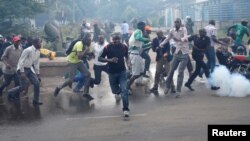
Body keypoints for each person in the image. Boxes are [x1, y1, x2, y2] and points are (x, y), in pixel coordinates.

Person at [54, 34, 93, 101]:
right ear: (85, 40)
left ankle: (85, 93)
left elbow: (82, 56)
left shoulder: (85, 45)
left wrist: (90, 54)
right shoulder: (79, 44)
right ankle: (58, 87)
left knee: (88, 74)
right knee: (70, 80)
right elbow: (79, 56)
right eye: (89, 40)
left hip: (78, 61)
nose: (90, 42)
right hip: (72, 61)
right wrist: (86, 51)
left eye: (90, 40)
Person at [99, 34, 130, 118]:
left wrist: (128, 63)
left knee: (124, 90)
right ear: (111, 39)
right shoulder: (107, 47)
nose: (116, 40)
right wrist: (109, 60)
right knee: (114, 91)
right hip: (111, 72)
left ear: (120, 39)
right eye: (114, 39)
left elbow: (127, 56)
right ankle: (118, 92)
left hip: (122, 72)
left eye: (118, 39)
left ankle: (126, 109)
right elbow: (100, 58)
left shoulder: (124, 47)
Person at [8, 38, 42, 106]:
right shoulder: (28, 50)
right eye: (39, 43)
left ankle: (36, 100)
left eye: (41, 43)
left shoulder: (38, 51)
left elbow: (36, 63)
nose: (40, 44)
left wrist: (38, 74)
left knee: (37, 83)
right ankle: (10, 92)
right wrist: (22, 72)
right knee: (23, 87)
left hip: (29, 69)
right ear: (34, 43)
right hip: (22, 69)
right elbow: (21, 61)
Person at [160, 18, 189, 97]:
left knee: (180, 72)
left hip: (184, 53)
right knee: (171, 71)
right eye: (175, 22)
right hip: (176, 53)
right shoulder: (172, 31)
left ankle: (178, 91)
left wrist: (179, 39)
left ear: (180, 23)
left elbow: (186, 38)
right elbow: (167, 38)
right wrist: (161, 44)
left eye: (177, 22)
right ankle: (167, 86)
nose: (176, 23)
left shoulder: (184, 29)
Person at [150, 30, 175, 94]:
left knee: (169, 72)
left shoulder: (165, 39)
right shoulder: (155, 40)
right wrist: (157, 48)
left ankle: (172, 86)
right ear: (157, 34)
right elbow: (153, 49)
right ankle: (155, 86)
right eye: (160, 33)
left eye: (162, 33)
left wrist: (166, 53)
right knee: (157, 72)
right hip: (159, 57)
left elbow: (168, 48)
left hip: (166, 58)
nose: (161, 34)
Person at [127, 21, 150, 92]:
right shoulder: (138, 31)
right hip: (135, 55)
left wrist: (150, 44)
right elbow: (138, 38)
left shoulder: (137, 32)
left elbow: (142, 45)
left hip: (137, 55)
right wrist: (147, 39)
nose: (144, 28)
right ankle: (127, 86)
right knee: (136, 74)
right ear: (141, 26)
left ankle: (137, 82)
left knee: (141, 72)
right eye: (144, 26)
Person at [0, 36, 23, 104]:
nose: (18, 42)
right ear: (13, 42)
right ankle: (0, 89)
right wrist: (6, 64)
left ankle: (13, 95)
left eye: (19, 41)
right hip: (8, 69)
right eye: (16, 41)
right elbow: (3, 57)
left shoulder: (21, 49)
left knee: (17, 83)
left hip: (16, 69)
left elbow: (21, 58)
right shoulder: (9, 48)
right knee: (7, 83)